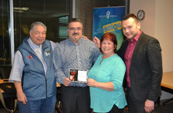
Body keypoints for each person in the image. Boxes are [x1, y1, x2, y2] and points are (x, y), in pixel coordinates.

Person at [53, 18, 100, 113]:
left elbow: (98, 64)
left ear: (82, 30)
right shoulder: (60, 47)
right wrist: (62, 79)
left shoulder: (91, 46)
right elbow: (57, 68)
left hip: (86, 89)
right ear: (68, 30)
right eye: (72, 28)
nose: (75, 31)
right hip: (68, 88)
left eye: (78, 28)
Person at [118, 14, 163, 113]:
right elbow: (116, 57)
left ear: (138, 25)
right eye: (124, 28)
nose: (126, 31)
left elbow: (157, 73)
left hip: (145, 95)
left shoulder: (150, 42)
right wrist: (102, 45)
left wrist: (151, 98)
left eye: (129, 27)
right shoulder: (125, 43)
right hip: (130, 92)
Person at [9, 21, 57, 113]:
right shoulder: (22, 52)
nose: (41, 36)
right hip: (31, 97)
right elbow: (16, 74)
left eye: (43, 33)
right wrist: (19, 93)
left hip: (50, 96)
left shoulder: (50, 45)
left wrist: (80, 39)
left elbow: (64, 47)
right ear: (30, 33)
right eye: (37, 32)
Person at [87, 32, 127, 113]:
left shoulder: (118, 62)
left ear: (115, 46)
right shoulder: (100, 57)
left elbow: (116, 85)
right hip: (99, 103)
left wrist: (95, 84)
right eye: (104, 43)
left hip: (111, 104)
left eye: (109, 43)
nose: (106, 46)